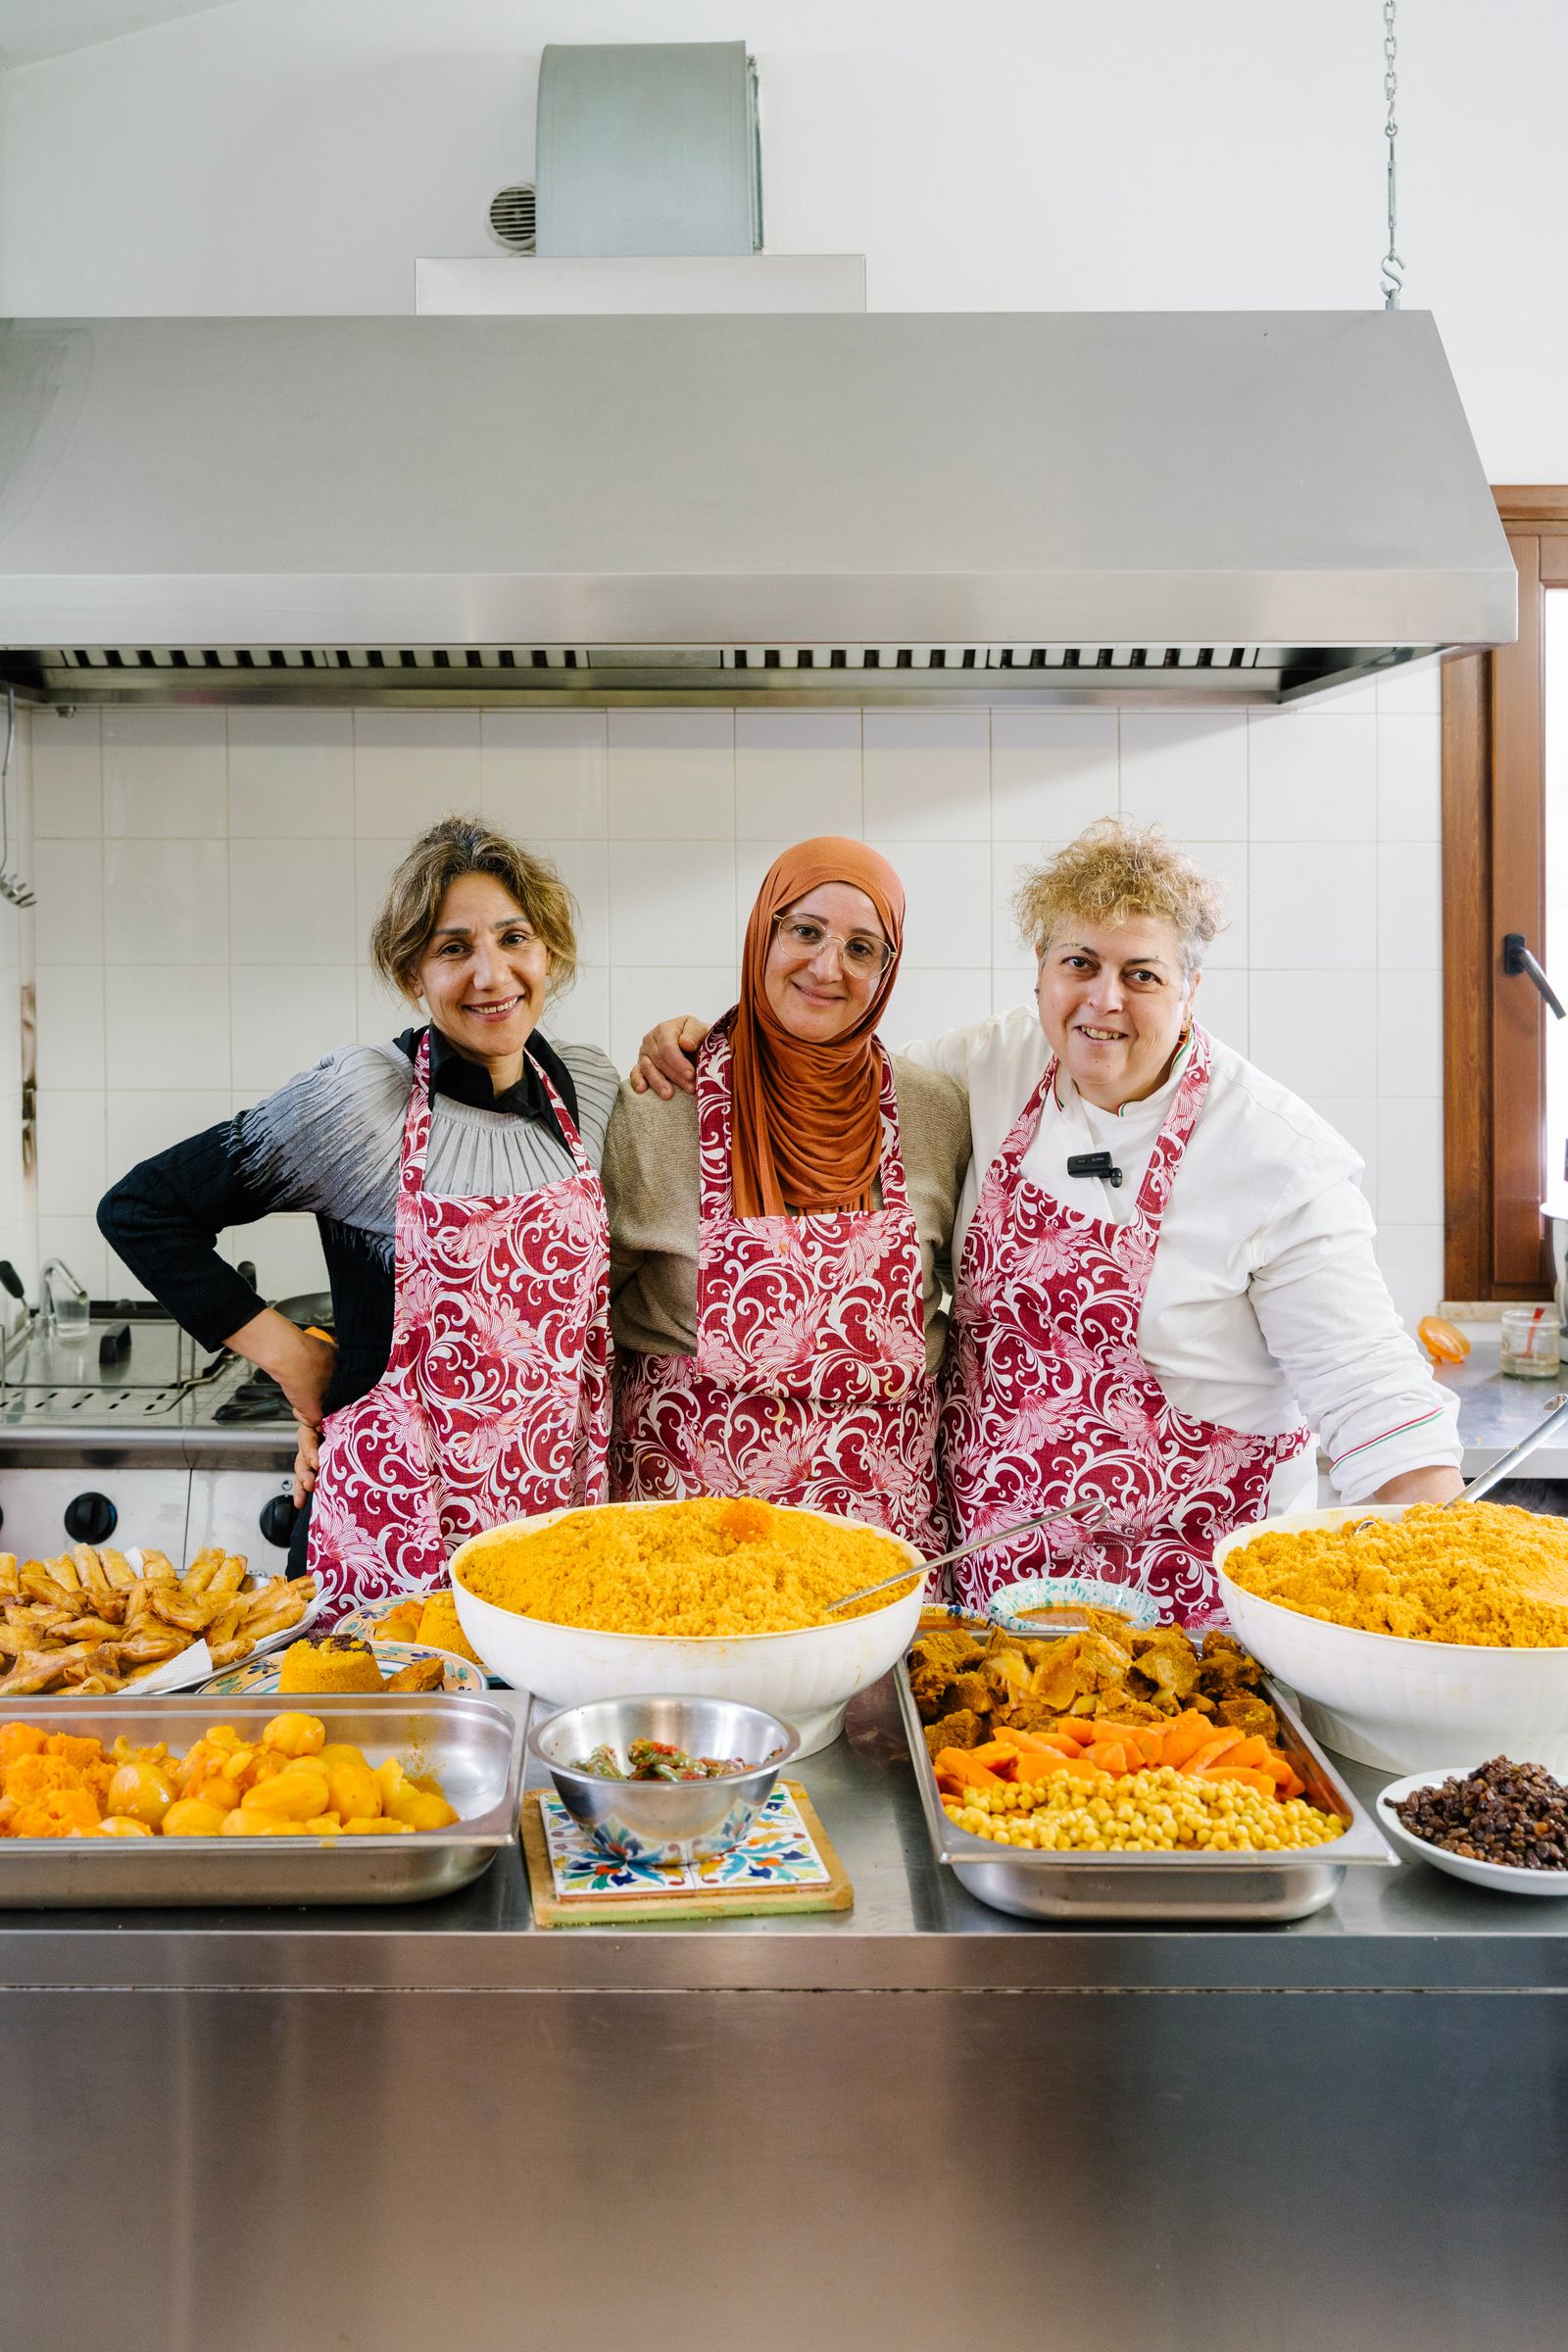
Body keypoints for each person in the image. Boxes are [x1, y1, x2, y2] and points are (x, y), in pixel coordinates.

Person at [628, 817, 1462, 1623]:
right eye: (1080, 963)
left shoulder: (1276, 1158)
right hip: (985, 1601)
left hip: (1186, 1611)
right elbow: (823, 1067)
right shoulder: (980, 1073)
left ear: (1190, 987)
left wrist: (1442, 1574)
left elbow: (1370, 1390)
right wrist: (705, 1045)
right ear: (1040, 970)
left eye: (1142, 973)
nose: (1104, 1001)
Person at [98, 814, 618, 1616]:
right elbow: (143, 1208)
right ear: (413, 970)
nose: (492, 974)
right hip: (392, 1530)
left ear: (549, 952)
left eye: (515, 938)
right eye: (454, 948)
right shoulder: (360, 1102)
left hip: (548, 1533)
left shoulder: (587, 1090)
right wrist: (295, 1360)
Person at [603, 837, 969, 1551]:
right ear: (762, 933)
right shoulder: (658, 1105)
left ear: (888, 970)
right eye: (805, 931)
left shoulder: (937, 1111)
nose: (828, 967)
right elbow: (579, 1323)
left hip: (881, 1557)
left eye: (862, 948)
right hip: (688, 1549)